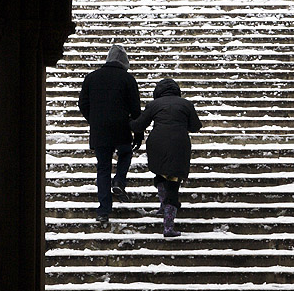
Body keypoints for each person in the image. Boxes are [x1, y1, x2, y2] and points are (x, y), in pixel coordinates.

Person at [130, 78, 202, 238]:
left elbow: (139, 125)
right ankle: (168, 225)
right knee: (174, 182)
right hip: (179, 144)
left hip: (157, 143)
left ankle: (164, 206)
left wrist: (125, 120)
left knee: (161, 173)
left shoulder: (154, 105)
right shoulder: (186, 104)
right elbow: (196, 126)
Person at [78, 43, 141, 225]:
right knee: (126, 153)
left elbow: (82, 104)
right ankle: (119, 181)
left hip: (100, 131)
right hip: (122, 127)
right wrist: (137, 132)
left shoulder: (92, 78)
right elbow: (135, 109)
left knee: (103, 168)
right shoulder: (128, 79)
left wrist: (94, 120)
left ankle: (103, 211)